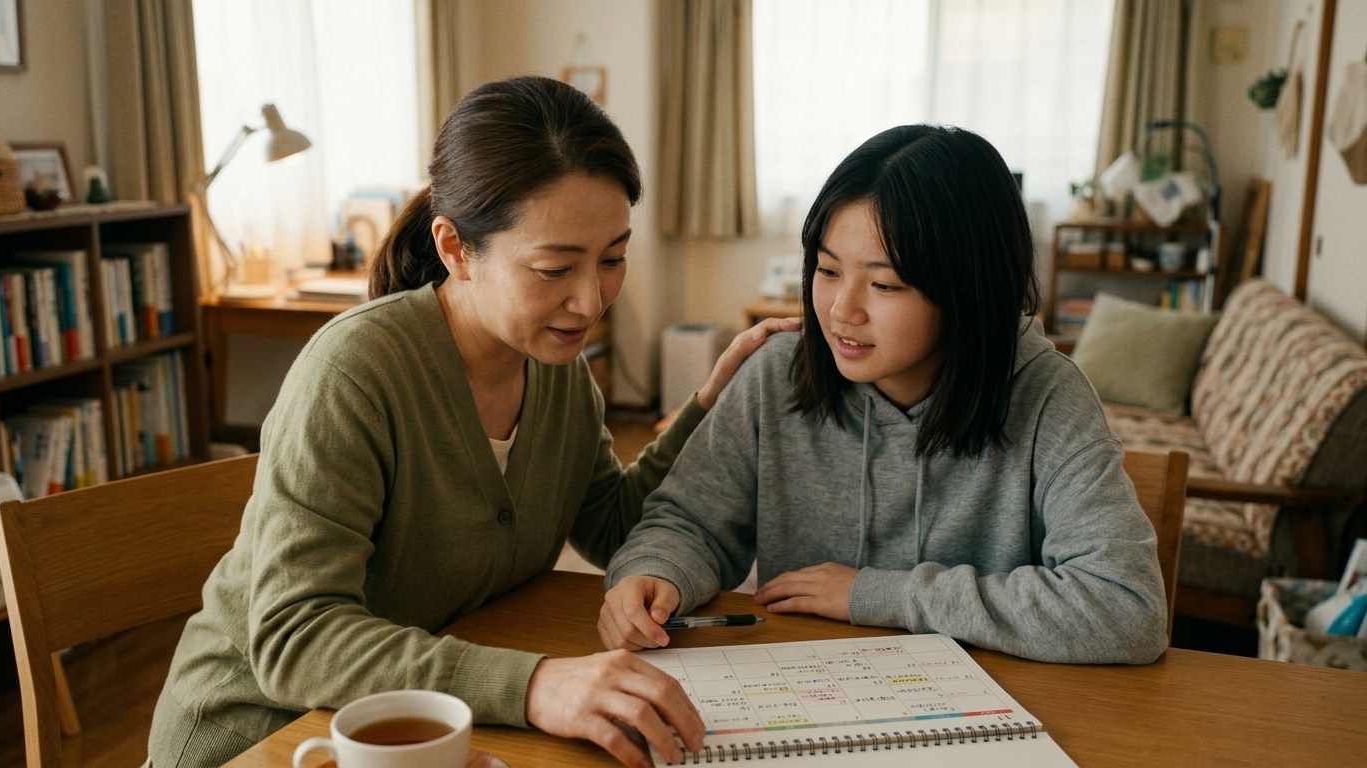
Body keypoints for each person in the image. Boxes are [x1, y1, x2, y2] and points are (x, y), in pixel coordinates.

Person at [148, 76, 797, 768]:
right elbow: (295, 637)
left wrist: (708, 403)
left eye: (612, 258)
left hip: (421, 729)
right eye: (554, 269)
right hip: (263, 736)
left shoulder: (559, 371)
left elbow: (610, 526)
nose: (590, 300)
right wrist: (534, 684)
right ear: (455, 249)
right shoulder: (355, 373)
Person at [599, 125, 1168, 666]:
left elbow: (1126, 606)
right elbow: (688, 523)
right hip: (805, 693)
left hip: (979, 709)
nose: (842, 310)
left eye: (884, 284)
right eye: (826, 270)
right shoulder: (776, 374)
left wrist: (876, 595)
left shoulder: (1047, 394)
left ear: (968, 291)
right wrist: (655, 572)